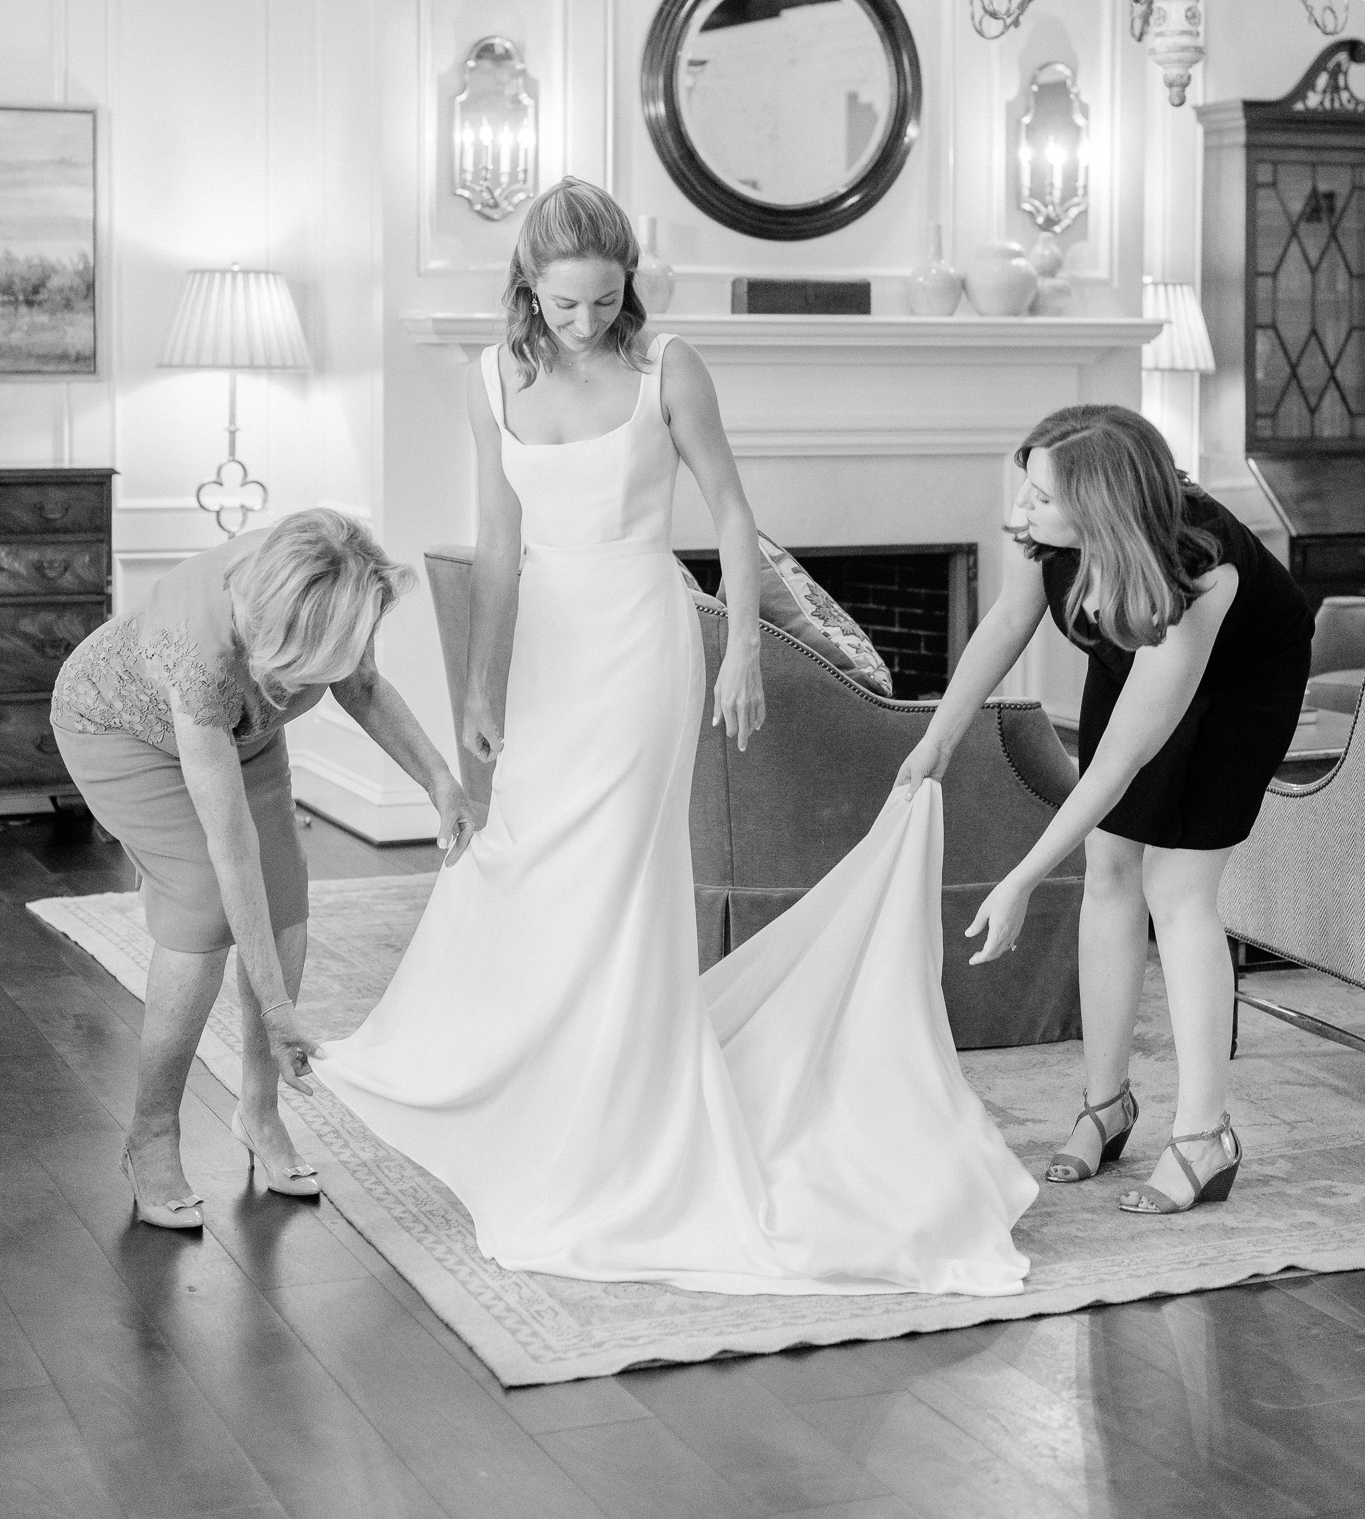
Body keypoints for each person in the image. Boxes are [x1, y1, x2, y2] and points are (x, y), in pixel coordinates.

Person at [315, 179, 1035, 1295]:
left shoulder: (668, 367)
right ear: (526, 287)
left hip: (645, 641)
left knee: (620, 874)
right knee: (532, 864)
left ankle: (625, 1105)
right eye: (564, 303)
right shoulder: (489, 379)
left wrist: (741, 645)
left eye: (605, 300)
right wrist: (479, 685)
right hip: (550, 648)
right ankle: (535, 1080)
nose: (586, 321)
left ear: (629, 287)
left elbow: (733, 513)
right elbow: (499, 544)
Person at [898, 404, 1313, 1216]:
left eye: (1040, 498)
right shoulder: (1045, 533)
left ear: (1100, 510)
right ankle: (1104, 1105)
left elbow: (1117, 764)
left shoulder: (1202, 573)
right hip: (1134, 639)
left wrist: (1020, 879)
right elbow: (1007, 621)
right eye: (1026, 487)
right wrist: (936, 740)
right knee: (1107, 869)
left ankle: (1203, 1137)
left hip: (1240, 681)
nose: (1019, 509)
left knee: (1177, 891)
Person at [50, 510, 472, 1232]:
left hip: (245, 731)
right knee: (204, 904)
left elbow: (364, 686)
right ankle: (151, 1134)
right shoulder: (199, 651)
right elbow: (231, 848)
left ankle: (260, 1111)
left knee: (285, 897)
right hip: (119, 730)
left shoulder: (337, 581)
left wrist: (439, 780)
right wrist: (278, 1012)